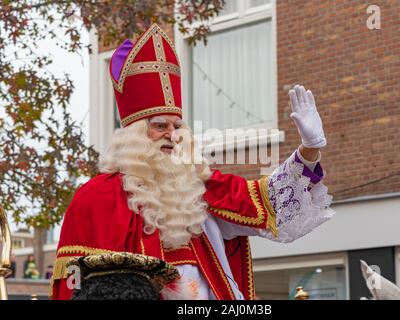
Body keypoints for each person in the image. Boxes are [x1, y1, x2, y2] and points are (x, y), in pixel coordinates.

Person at [51, 24, 335, 300]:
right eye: (160, 126)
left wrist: (309, 150)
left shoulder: (199, 186)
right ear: (134, 136)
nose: (172, 136)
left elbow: (271, 204)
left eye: (178, 126)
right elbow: (73, 286)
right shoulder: (95, 198)